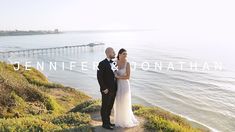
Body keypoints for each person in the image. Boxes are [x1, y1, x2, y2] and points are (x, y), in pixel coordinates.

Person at [114, 48, 139, 127]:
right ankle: (119, 120)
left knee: (125, 101)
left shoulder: (127, 64)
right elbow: (112, 72)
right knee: (118, 101)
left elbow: (128, 77)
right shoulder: (115, 62)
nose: (125, 55)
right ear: (119, 54)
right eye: (124, 53)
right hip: (117, 85)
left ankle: (125, 120)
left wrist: (118, 76)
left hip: (125, 85)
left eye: (126, 54)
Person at [97, 47, 117, 130]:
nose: (115, 53)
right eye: (113, 52)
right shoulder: (101, 63)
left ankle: (108, 122)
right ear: (109, 53)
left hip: (113, 89)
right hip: (106, 90)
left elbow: (115, 76)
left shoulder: (114, 63)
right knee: (105, 106)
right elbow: (99, 77)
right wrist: (104, 88)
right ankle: (104, 124)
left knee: (110, 106)